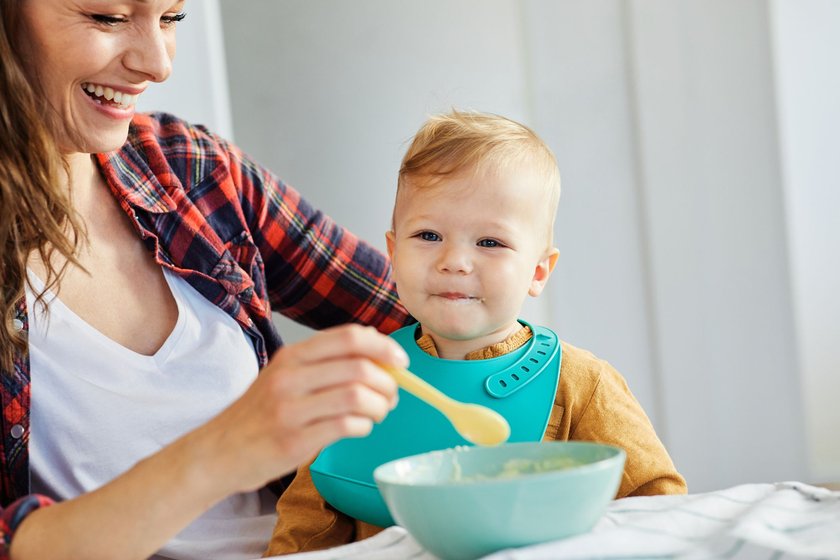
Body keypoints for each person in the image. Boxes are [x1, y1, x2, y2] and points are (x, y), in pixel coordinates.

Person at [0, 1, 415, 559]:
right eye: (107, 17)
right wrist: (228, 448)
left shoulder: (190, 168)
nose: (157, 64)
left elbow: (427, 313)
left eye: (172, 18)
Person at [264, 110, 688, 555]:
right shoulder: (360, 384)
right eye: (428, 235)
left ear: (538, 270)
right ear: (392, 252)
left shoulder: (581, 382)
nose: (454, 261)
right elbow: (306, 522)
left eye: (490, 243)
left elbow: (656, 507)